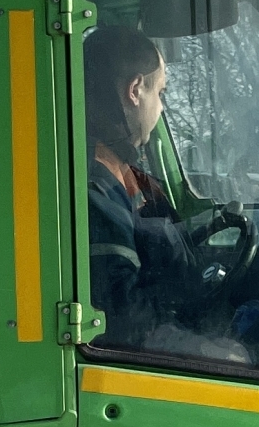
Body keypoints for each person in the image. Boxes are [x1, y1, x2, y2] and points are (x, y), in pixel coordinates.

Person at [85, 23, 203, 350]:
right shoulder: (96, 185)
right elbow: (124, 317)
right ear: (136, 90)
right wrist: (201, 347)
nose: (162, 107)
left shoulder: (124, 174)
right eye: (161, 93)